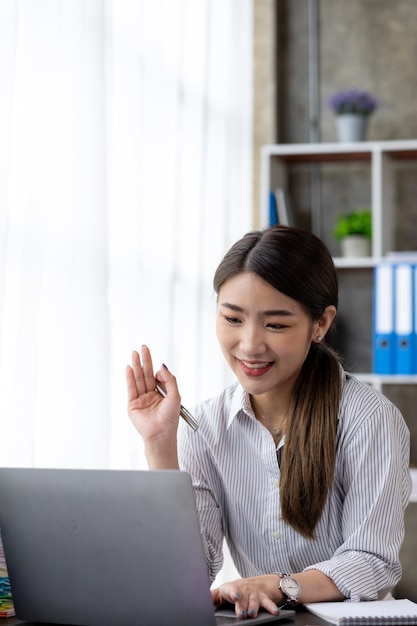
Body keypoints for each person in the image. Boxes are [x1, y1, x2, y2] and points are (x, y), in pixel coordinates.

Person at [126, 225, 411, 619]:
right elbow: (188, 573)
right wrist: (159, 444)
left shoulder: (368, 420)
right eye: (232, 318)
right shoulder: (206, 426)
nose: (250, 345)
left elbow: (371, 563)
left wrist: (276, 585)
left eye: (275, 325)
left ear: (321, 324)